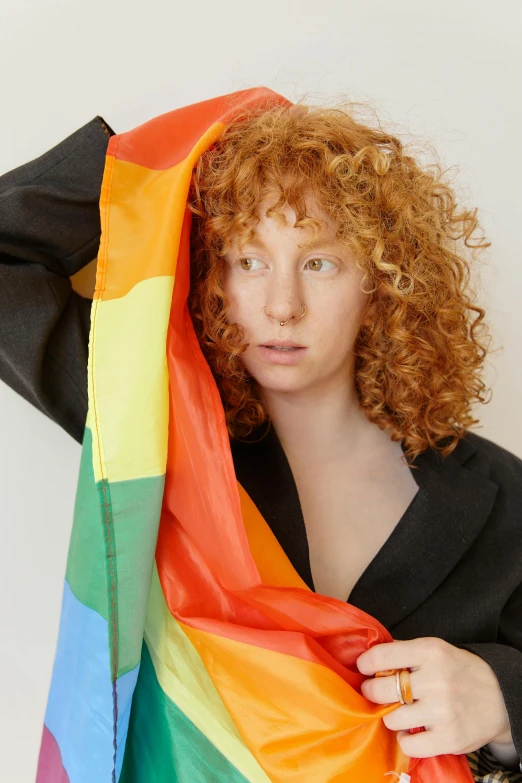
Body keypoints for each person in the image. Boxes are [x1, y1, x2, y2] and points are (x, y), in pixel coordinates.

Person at [0, 99, 521, 782]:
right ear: (209, 276)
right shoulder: (156, 433)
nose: (282, 305)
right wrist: (162, 155)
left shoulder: (501, 495)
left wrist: (507, 706)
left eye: (320, 263)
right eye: (248, 259)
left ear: (383, 279)